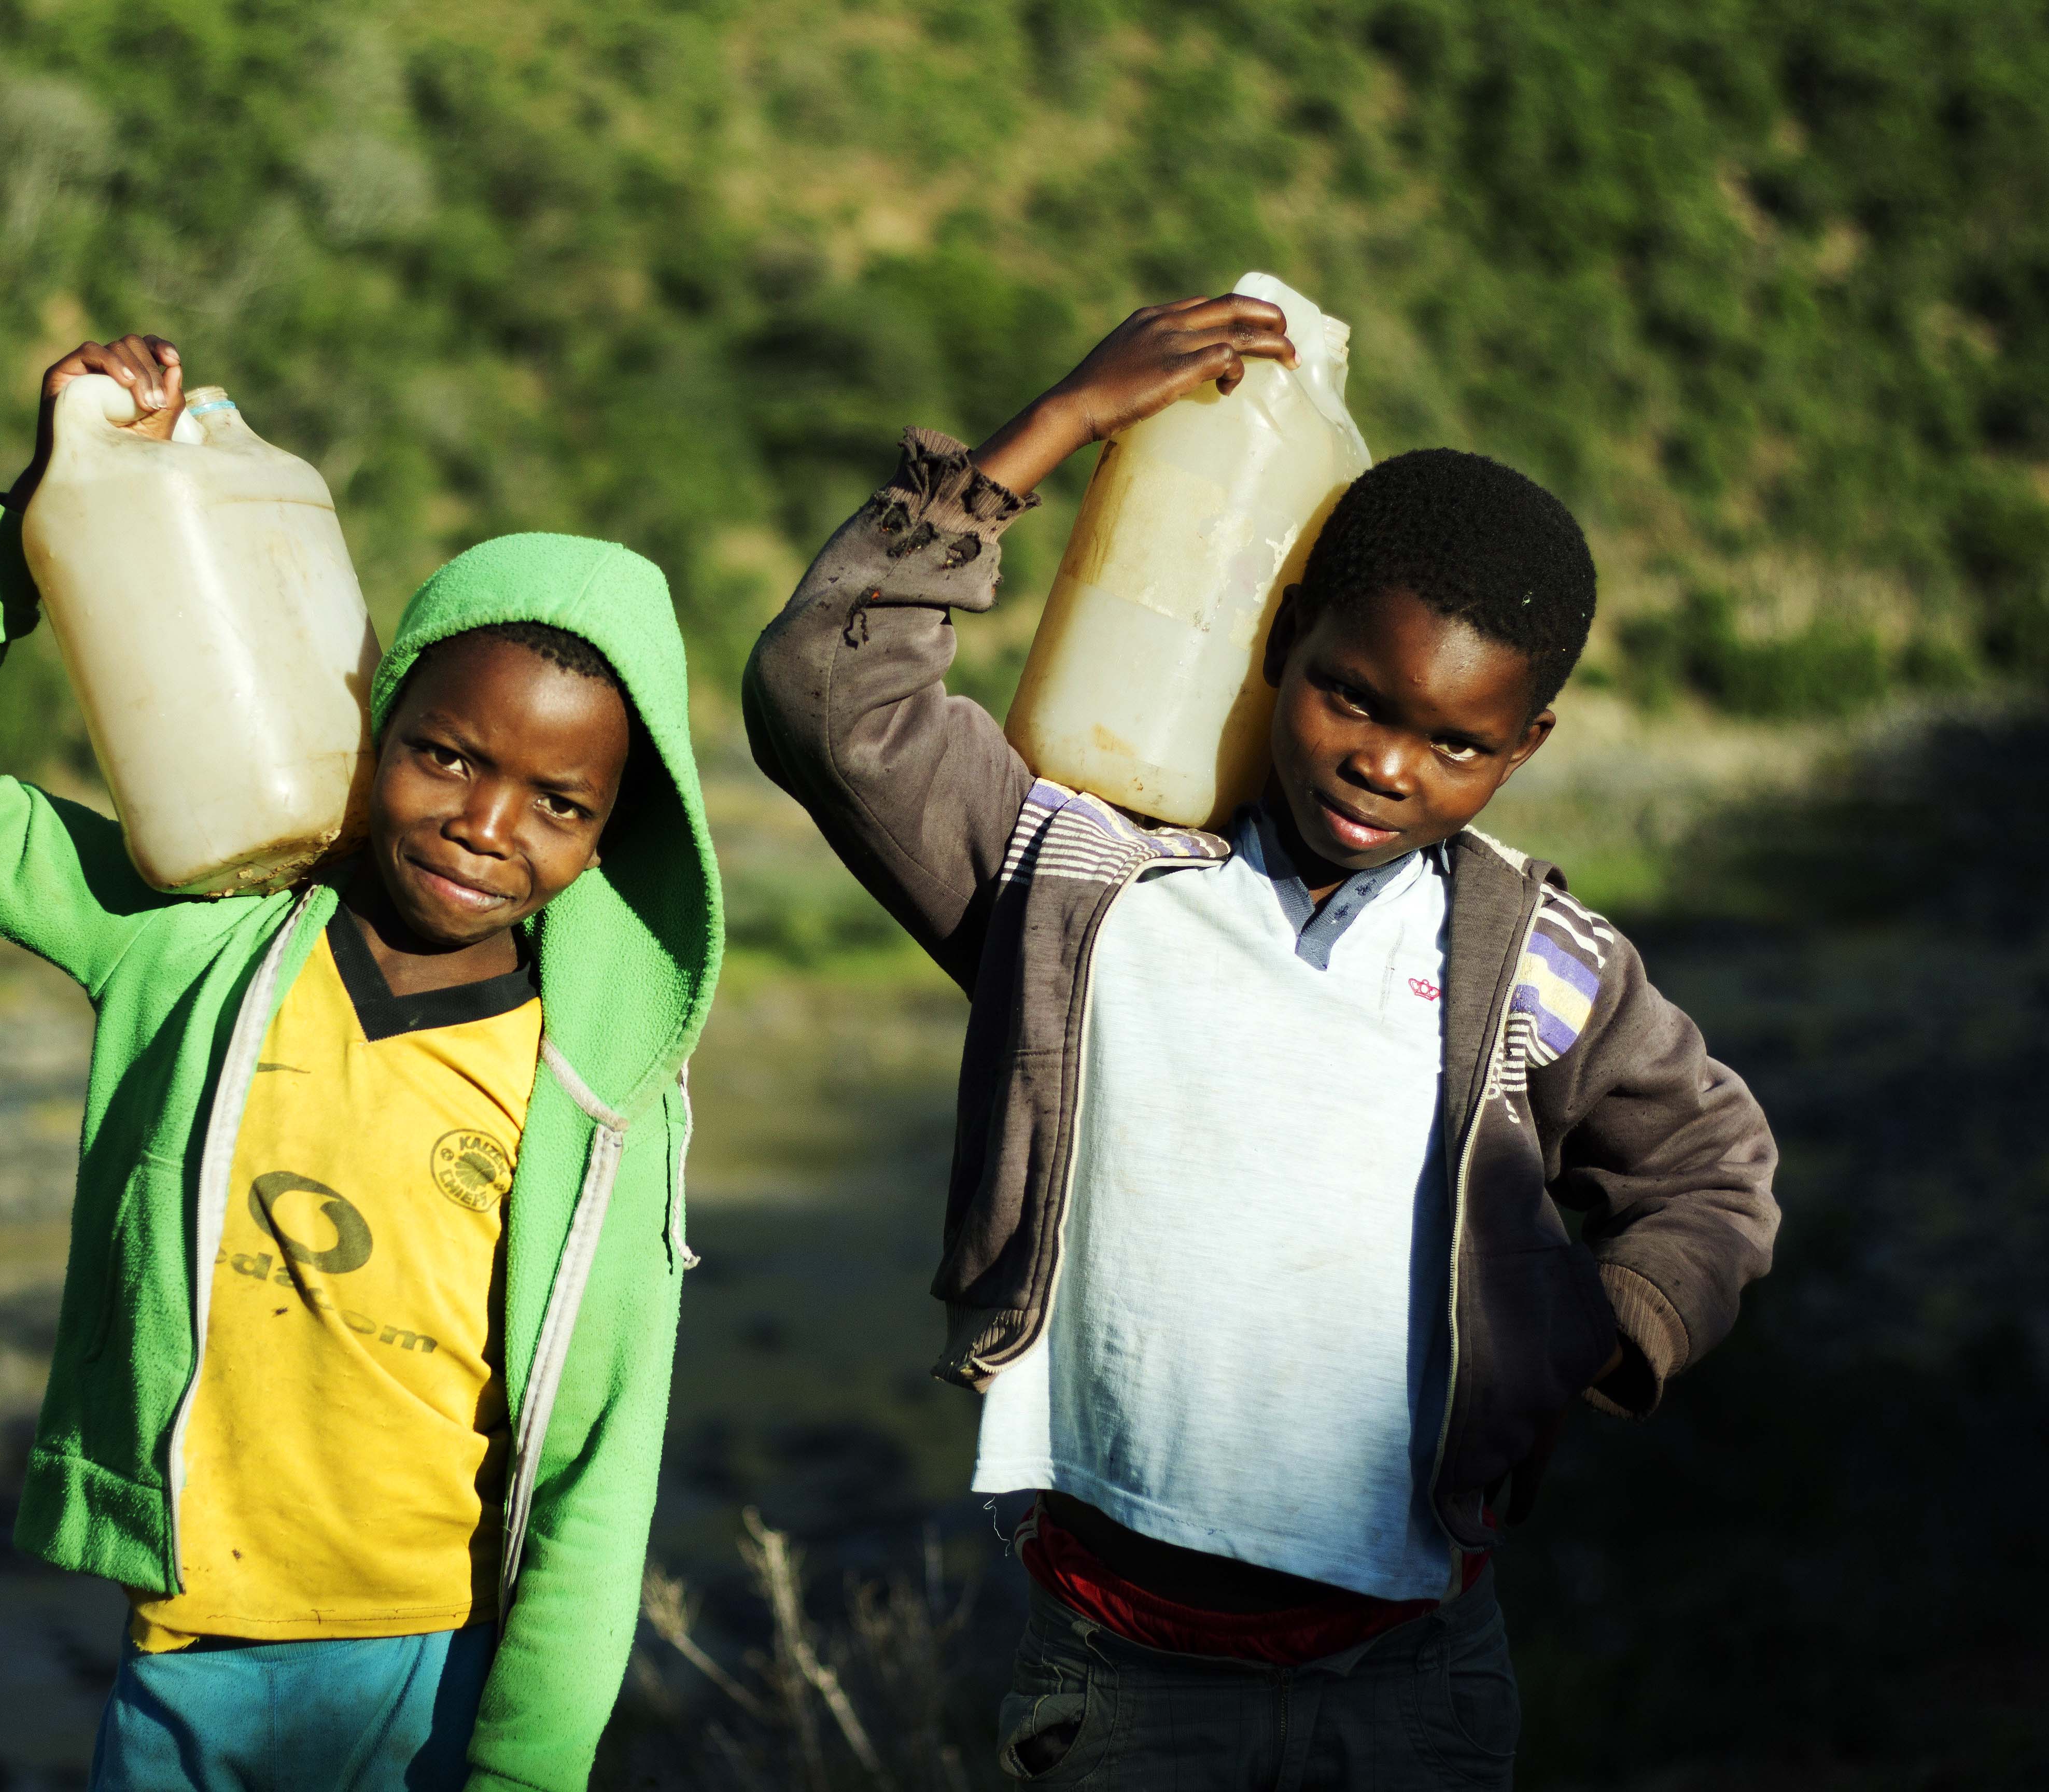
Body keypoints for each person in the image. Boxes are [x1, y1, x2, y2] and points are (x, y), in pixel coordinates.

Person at [741, 295, 1779, 1788]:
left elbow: (1709, 1165)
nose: (1385, 762)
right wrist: (1053, 431)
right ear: (1279, 642)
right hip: (1124, 1679)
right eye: (1353, 696)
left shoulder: (1533, 969)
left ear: (1526, 747)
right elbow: (826, 694)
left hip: (1416, 1679)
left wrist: (1605, 1335)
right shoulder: (1077, 885)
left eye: (1456, 743)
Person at [0, 335, 722, 1792]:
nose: (490, 824)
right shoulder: (190, 941)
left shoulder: (595, 1097)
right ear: (372, 727)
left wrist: (531, 1769)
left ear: (618, 833)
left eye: (559, 799)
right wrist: (45, 518)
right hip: (185, 1652)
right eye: (445, 756)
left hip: (426, 1672)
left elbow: (596, 1474)